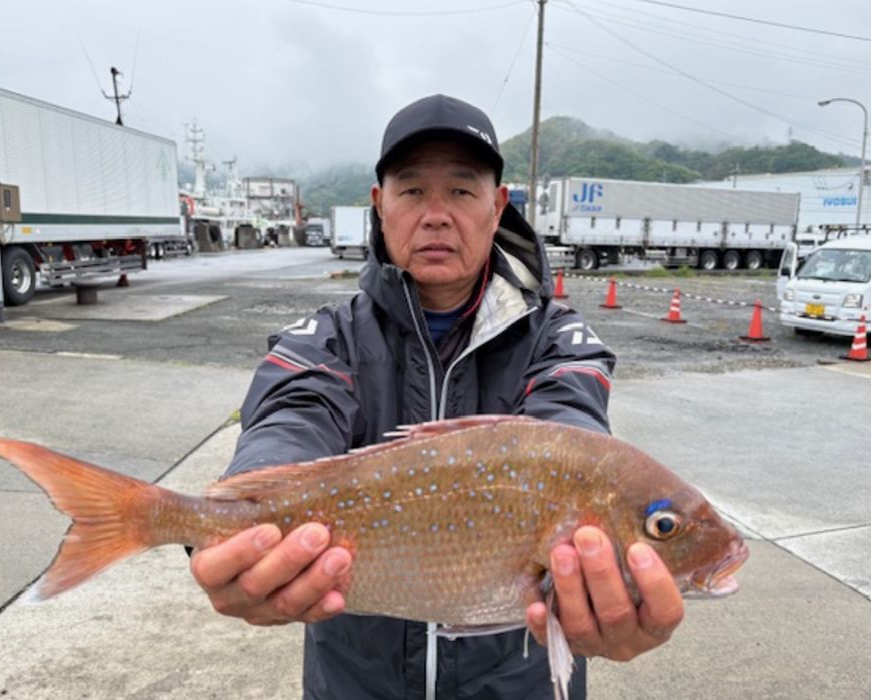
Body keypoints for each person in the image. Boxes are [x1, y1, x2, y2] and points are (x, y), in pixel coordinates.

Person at [190, 94, 684, 699]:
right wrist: (238, 527)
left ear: (498, 206)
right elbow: (290, 418)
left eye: (461, 190)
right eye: (412, 191)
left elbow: (572, 436)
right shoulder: (326, 338)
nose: (436, 215)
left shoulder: (560, 341)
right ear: (380, 206)